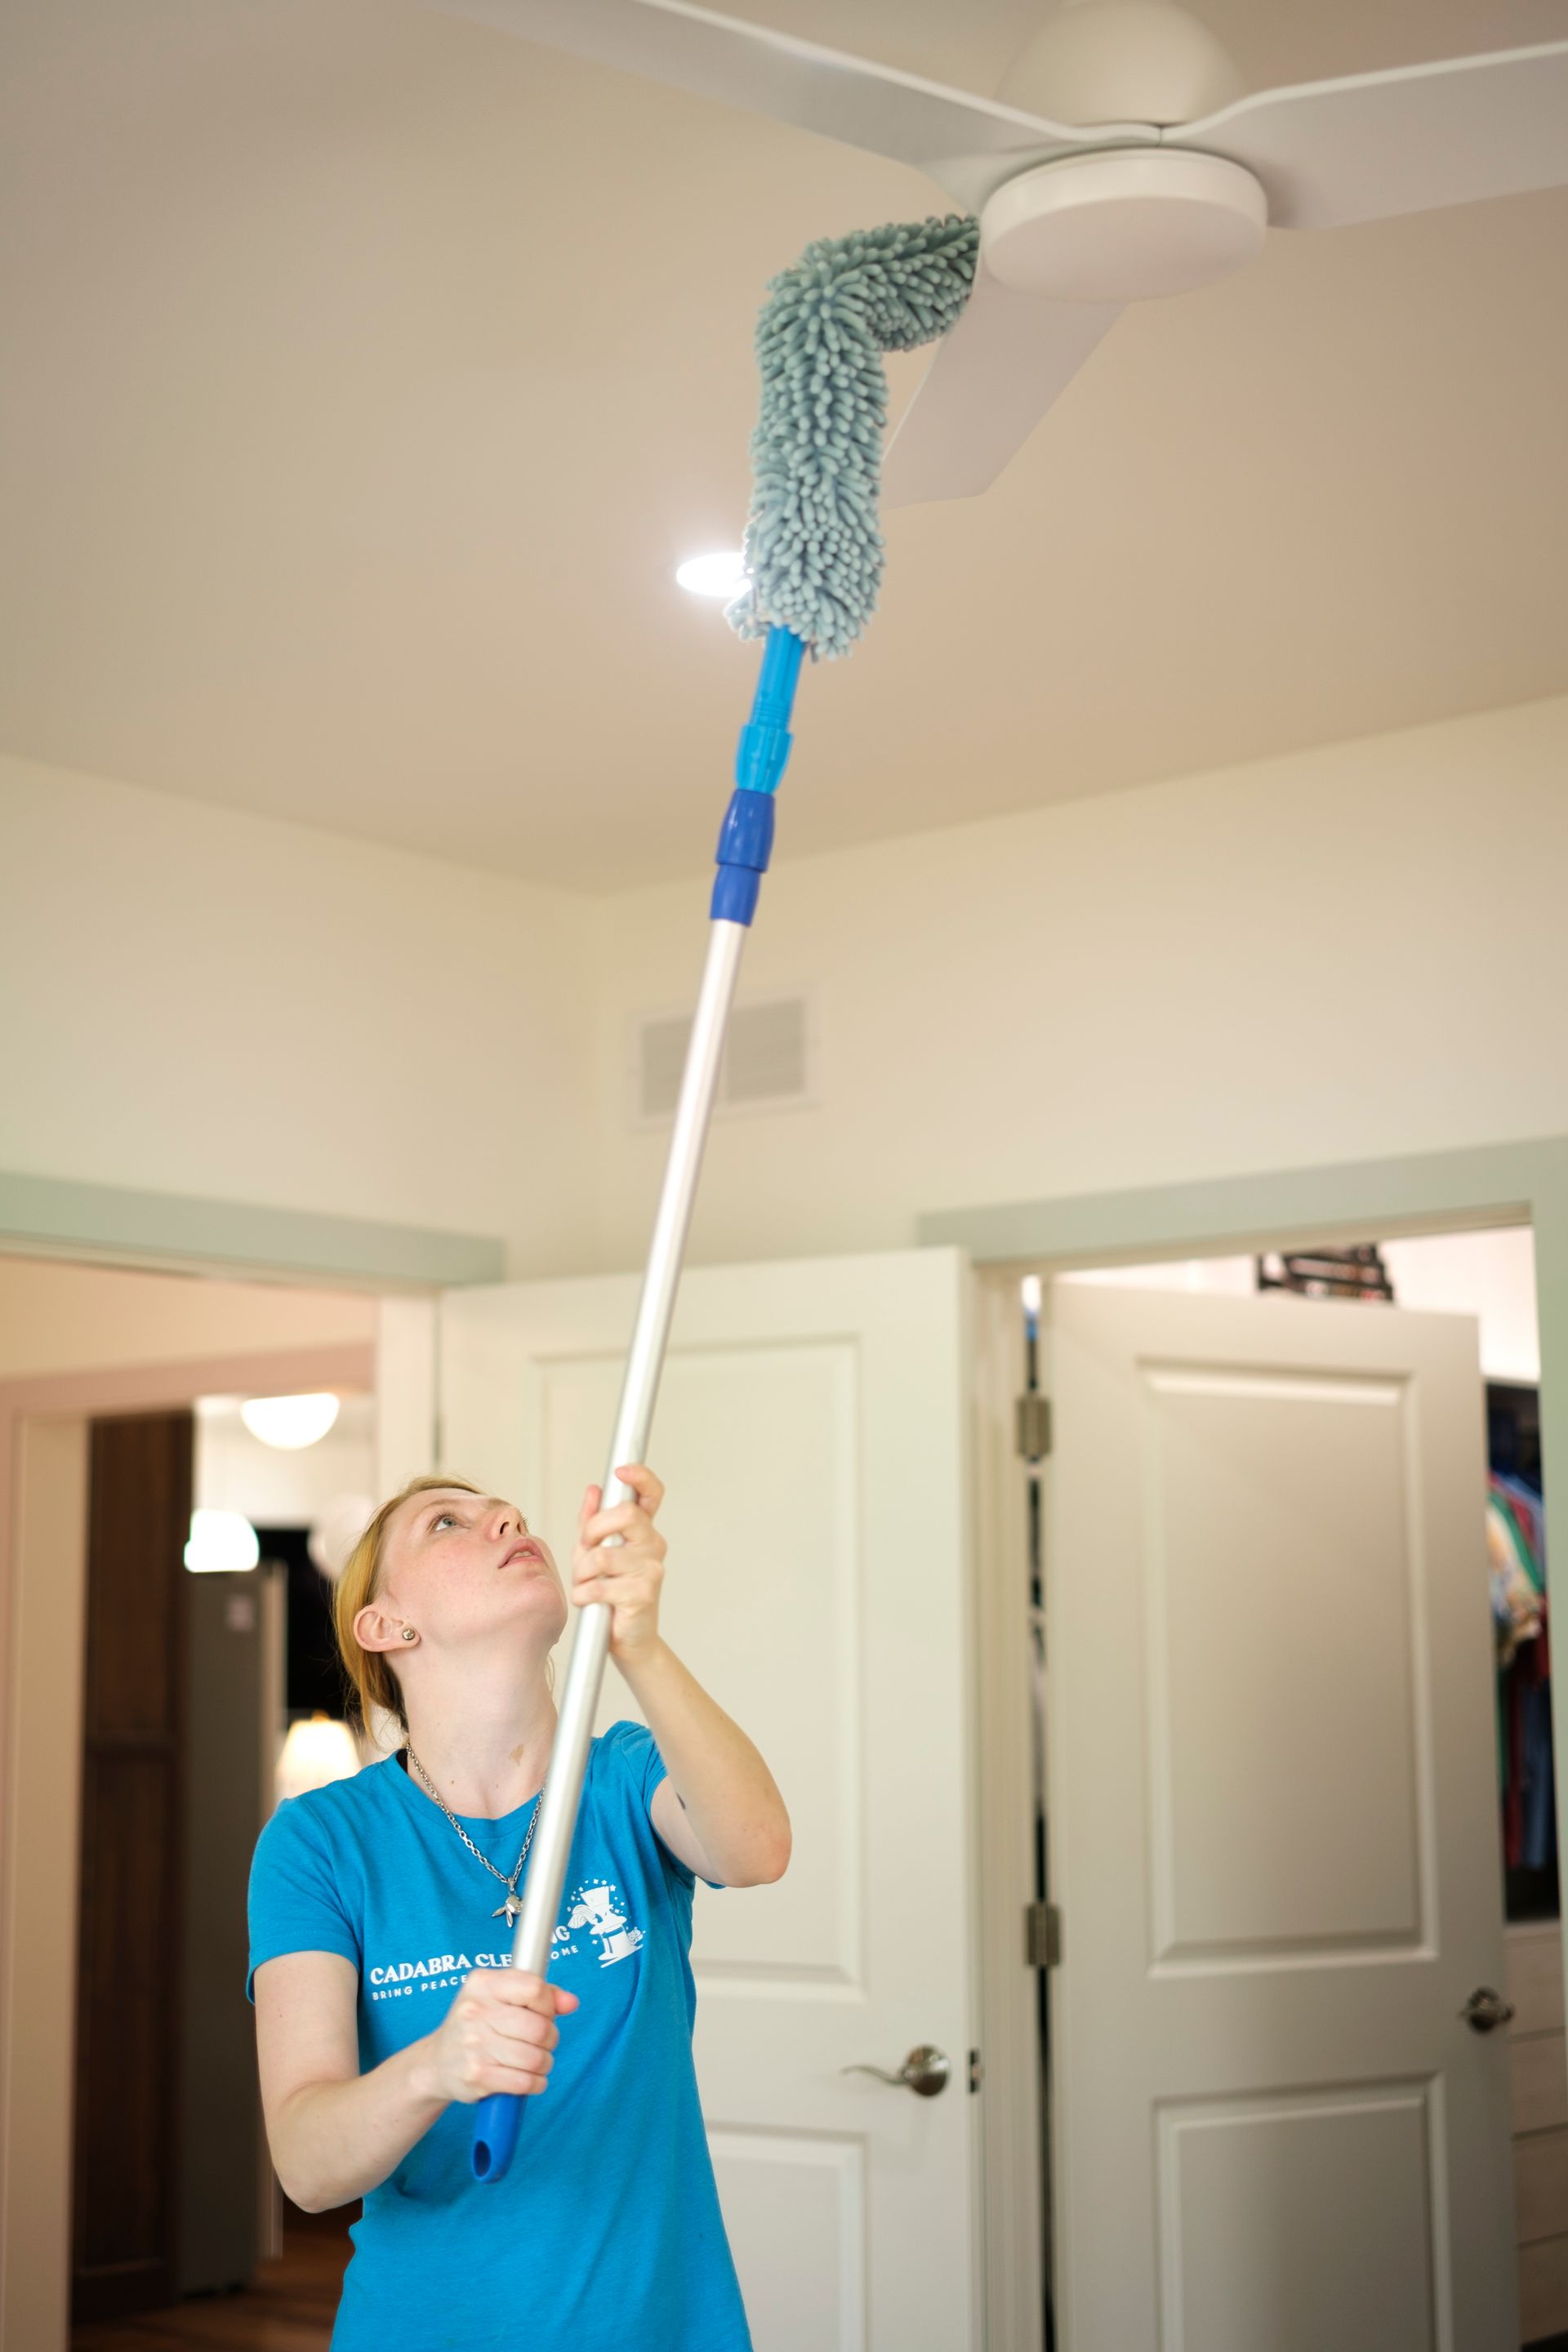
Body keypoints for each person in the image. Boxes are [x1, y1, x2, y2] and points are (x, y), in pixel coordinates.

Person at [247, 1463, 790, 2352]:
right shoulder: (321, 1844)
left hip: (660, 2326)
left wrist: (640, 1644)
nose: (502, 1517)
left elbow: (756, 1848)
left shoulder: (622, 1779)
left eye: (505, 1511)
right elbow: (308, 2166)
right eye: (448, 1525)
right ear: (386, 1625)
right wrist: (436, 2068)